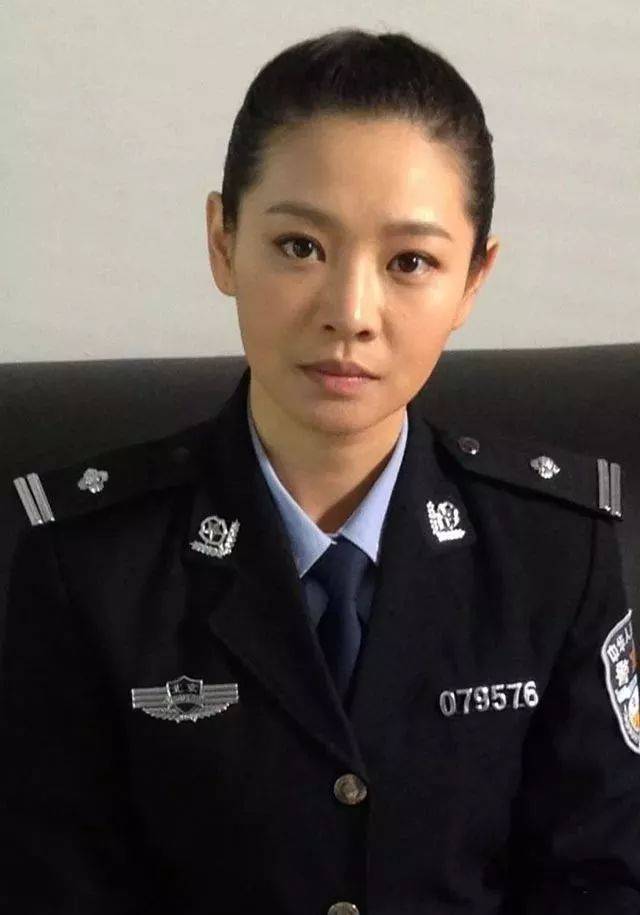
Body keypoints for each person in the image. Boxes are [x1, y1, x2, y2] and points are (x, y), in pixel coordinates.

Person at [1, 26, 639, 915]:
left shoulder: (557, 552)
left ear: (473, 280)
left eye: (410, 261)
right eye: (301, 246)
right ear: (223, 240)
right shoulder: (85, 562)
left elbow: (602, 877)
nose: (350, 312)